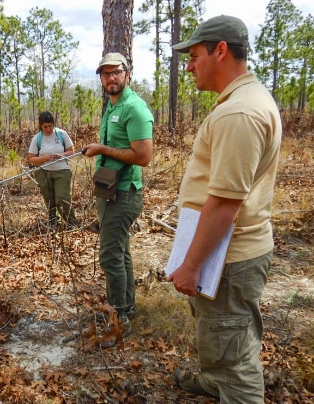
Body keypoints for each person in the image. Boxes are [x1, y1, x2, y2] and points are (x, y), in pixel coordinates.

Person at [168, 16, 282, 403]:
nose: (189, 65)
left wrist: (192, 265)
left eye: (195, 55)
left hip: (228, 256)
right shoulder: (242, 102)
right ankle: (215, 380)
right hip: (227, 251)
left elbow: (226, 204)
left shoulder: (239, 114)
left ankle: (229, 386)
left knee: (234, 358)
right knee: (226, 336)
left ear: (221, 51)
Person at [83, 52, 153, 346]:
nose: (111, 78)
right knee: (121, 252)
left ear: (127, 74)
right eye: (105, 73)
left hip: (124, 194)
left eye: (116, 72)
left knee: (110, 255)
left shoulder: (134, 108)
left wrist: (102, 150)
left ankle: (118, 318)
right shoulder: (112, 105)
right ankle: (127, 308)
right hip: (109, 191)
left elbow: (144, 156)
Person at [28, 111, 79, 229]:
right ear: (40, 126)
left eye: (50, 126)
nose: (48, 129)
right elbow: (31, 158)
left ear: (53, 124)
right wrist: (43, 158)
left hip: (62, 170)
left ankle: (72, 223)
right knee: (49, 199)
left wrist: (61, 155)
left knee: (61, 198)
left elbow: (71, 151)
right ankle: (53, 222)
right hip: (43, 172)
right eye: (45, 126)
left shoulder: (61, 134)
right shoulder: (37, 138)